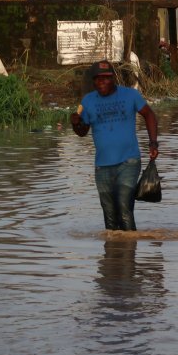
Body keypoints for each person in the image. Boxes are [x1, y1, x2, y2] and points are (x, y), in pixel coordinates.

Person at [70, 60, 159, 231]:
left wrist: (153, 142)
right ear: (93, 81)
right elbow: (82, 132)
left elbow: (149, 115)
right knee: (109, 213)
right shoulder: (88, 101)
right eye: (98, 79)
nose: (102, 82)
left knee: (124, 207)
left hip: (129, 162)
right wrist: (75, 123)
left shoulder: (130, 95)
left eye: (106, 78)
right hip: (102, 166)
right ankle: (113, 253)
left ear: (114, 78)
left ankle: (129, 251)